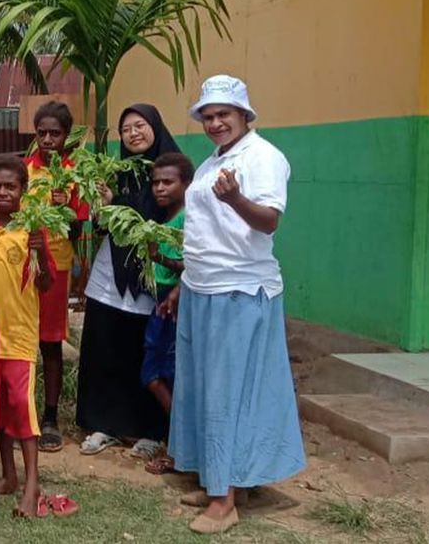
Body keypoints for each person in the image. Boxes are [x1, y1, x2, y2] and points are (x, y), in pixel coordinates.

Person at [168, 75, 304, 534]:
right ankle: (221, 480)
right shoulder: (212, 162)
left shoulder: (264, 158)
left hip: (240, 290)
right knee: (203, 388)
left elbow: (268, 222)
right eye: (207, 115)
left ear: (245, 115)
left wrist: (236, 198)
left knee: (228, 393)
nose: (214, 122)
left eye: (223, 114)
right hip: (202, 287)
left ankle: (224, 502)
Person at [77, 104, 181, 458]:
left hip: (153, 273)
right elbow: (105, 224)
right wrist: (103, 205)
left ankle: (149, 430)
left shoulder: (172, 170)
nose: (133, 133)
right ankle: (103, 424)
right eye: (126, 129)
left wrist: (118, 203)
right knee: (104, 347)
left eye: (140, 125)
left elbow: (161, 216)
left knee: (144, 351)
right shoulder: (115, 171)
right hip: (111, 272)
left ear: (156, 127)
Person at [0, 156, 56, 518]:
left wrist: (38, 249)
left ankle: (32, 482)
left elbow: (46, 283)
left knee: (22, 408)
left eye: (11, 186)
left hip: (19, 335)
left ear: (23, 189)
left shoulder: (32, 231)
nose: (3, 192)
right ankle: (9, 476)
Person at [24, 101, 89, 452]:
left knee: (49, 342)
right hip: (23, 263)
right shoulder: (25, 169)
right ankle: (24, 412)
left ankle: (50, 418)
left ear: (66, 136)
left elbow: (79, 228)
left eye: (55, 133)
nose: (48, 138)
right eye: (42, 132)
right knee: (20, 341)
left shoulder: (74, 173)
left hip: (57, 265)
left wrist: (67, 207)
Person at [139, 152, 192, 476]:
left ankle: (179, 447)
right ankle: (178, 443)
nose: (160, 188)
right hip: (160, 303)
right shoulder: (166, 218)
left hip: (173, 306)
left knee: (160, 375)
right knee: (155, 374)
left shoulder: (188, 219)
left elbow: (193, 265)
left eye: (168, 182)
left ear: (187, 184)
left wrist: (159, 258)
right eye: (156, 182)